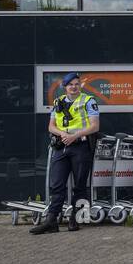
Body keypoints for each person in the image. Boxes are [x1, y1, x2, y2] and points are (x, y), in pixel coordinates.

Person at [30, 72, 100, 234]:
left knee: (80, 185)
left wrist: (74, 136)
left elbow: (95, 126)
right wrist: (63, 135)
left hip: (81, 147)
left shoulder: (88, 101)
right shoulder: (58, 101)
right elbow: (51, 126)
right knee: (57, 185)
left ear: (80, 85)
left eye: (76, 84)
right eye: (70, 85)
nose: (74, 87)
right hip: (62, 146)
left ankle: (76, 219)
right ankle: (51, 221)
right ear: (65, 87)